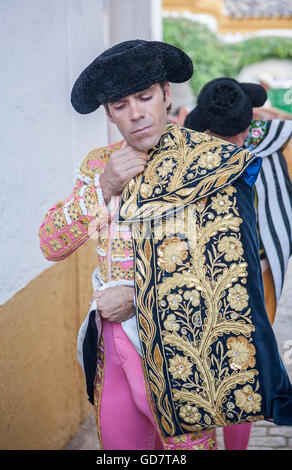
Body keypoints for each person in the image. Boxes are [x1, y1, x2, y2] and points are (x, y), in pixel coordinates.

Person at [39, 42, 292, 451]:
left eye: (145, 97)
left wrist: (139, 296)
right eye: (121, 105)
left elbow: (227, 277)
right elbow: (51, 243)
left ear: (166, 95)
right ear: (108, 112)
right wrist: (104, 188)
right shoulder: (96, 166)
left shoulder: (211, 163)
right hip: (111, 348)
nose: (136, 113)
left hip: (182, 354)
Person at [184, 77, 292, 450]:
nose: (234, 145)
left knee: (244, 364)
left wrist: (263, 110)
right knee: (212, 366)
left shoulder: (268, 137)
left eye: (240, 133)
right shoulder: (192, 146)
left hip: (256, 273)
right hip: (204, 277)